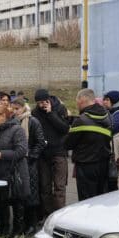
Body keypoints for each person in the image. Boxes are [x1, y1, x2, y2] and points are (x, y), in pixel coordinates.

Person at [0, 105, 29, 237]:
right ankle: (3, 232)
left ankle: (18, 233)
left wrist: (3, 155)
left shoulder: (17, 129)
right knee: (1, 204)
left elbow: (22, 150)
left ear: (4, 116)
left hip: (15, 172)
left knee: (17, 204)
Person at [65, 89, 111, 201]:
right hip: (104, 165)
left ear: (82, 100)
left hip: (86, 167)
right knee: (101, 198)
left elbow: (68, 144)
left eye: (77, 101)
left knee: (86, 201)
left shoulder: (81, 120)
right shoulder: (107, 116)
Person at [31, 89, 69, 218]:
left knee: (59, 187)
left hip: (59, 152)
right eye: (38, 103)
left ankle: (60, 216)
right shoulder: (35, 113)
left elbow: (64, 129)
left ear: (48, 100)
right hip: (43, 154)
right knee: (45, 187)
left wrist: (51, 113)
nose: (41, 105)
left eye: (43, 102)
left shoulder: (60, 108)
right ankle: (47, 215)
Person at [11, 98, 46, 235]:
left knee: (30, 194)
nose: (14, 111)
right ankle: (20, 226)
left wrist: (30, 157)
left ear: (23, 108)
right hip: (16, 162)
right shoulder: (13, 122)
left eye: (17, 109)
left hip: (29, 163)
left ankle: (31, 225)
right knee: (18, 194)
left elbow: (40, 142)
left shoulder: (32, 121)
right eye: (12, 109)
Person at [103, 90, 119, 192]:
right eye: (104, 100)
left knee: (112, 178)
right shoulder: (109, 112)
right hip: (109, 150)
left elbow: (112, 128)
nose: (104, 102)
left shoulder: (118, 113)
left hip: (114, 152)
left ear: (113, 101)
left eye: (107, 100)